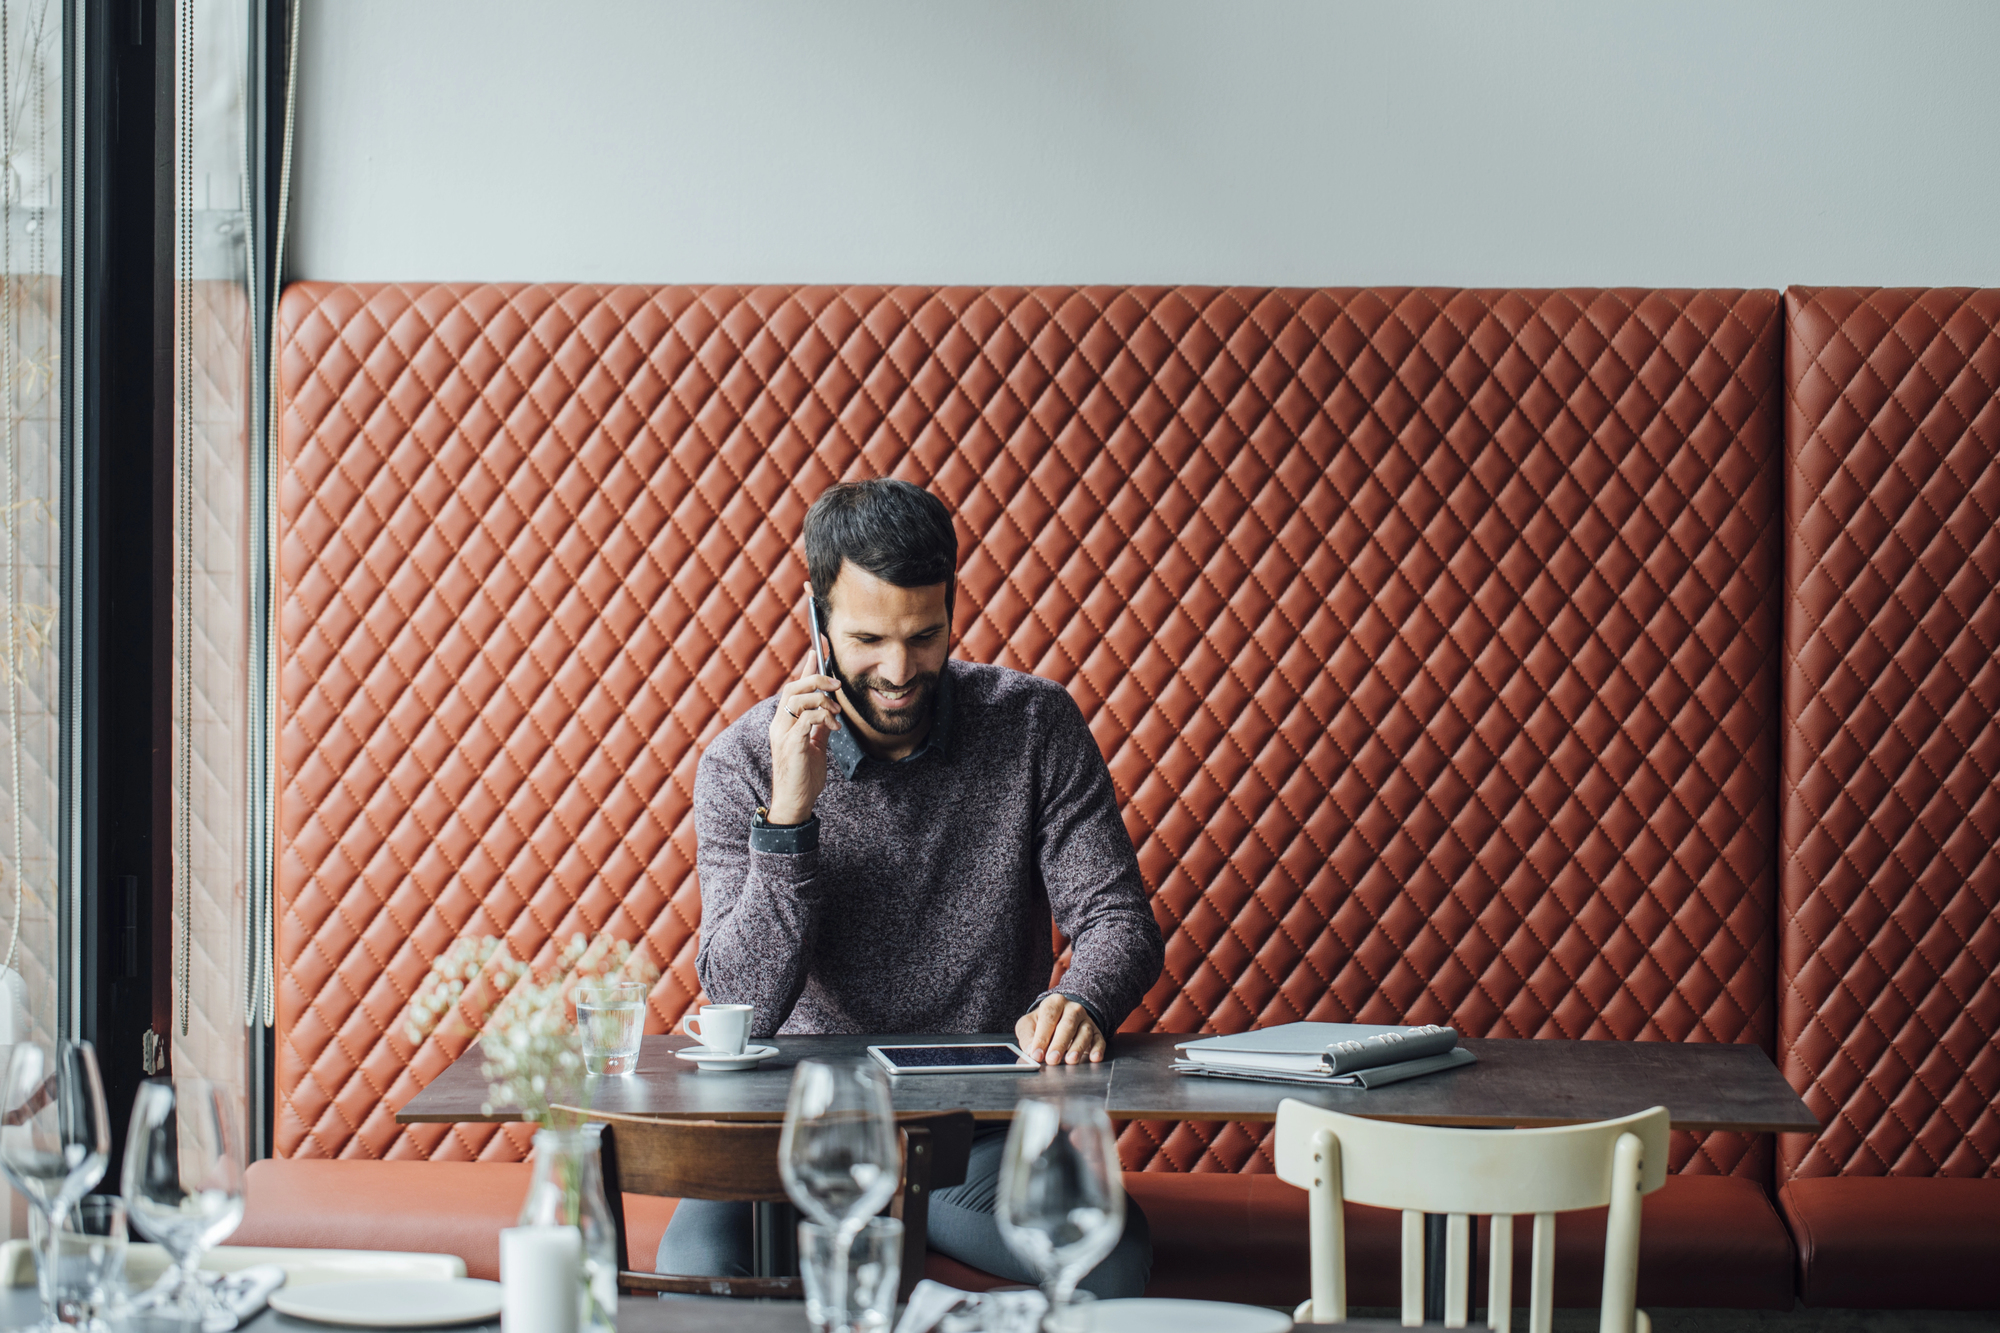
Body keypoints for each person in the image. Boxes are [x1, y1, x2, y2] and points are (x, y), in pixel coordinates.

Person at [661, 477, 1165, 1294]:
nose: (899, 671)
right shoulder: (743, 761)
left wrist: (1085, 1000)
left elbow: (1118, 921)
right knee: (697, 1269)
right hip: (800, 1137)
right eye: (867, 639)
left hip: (979, 1137)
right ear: (816, 615)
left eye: (925, 636)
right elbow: (737, 995)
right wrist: (788, 819)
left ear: (952, 607)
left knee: (1115, 1256)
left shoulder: (1035, 724)